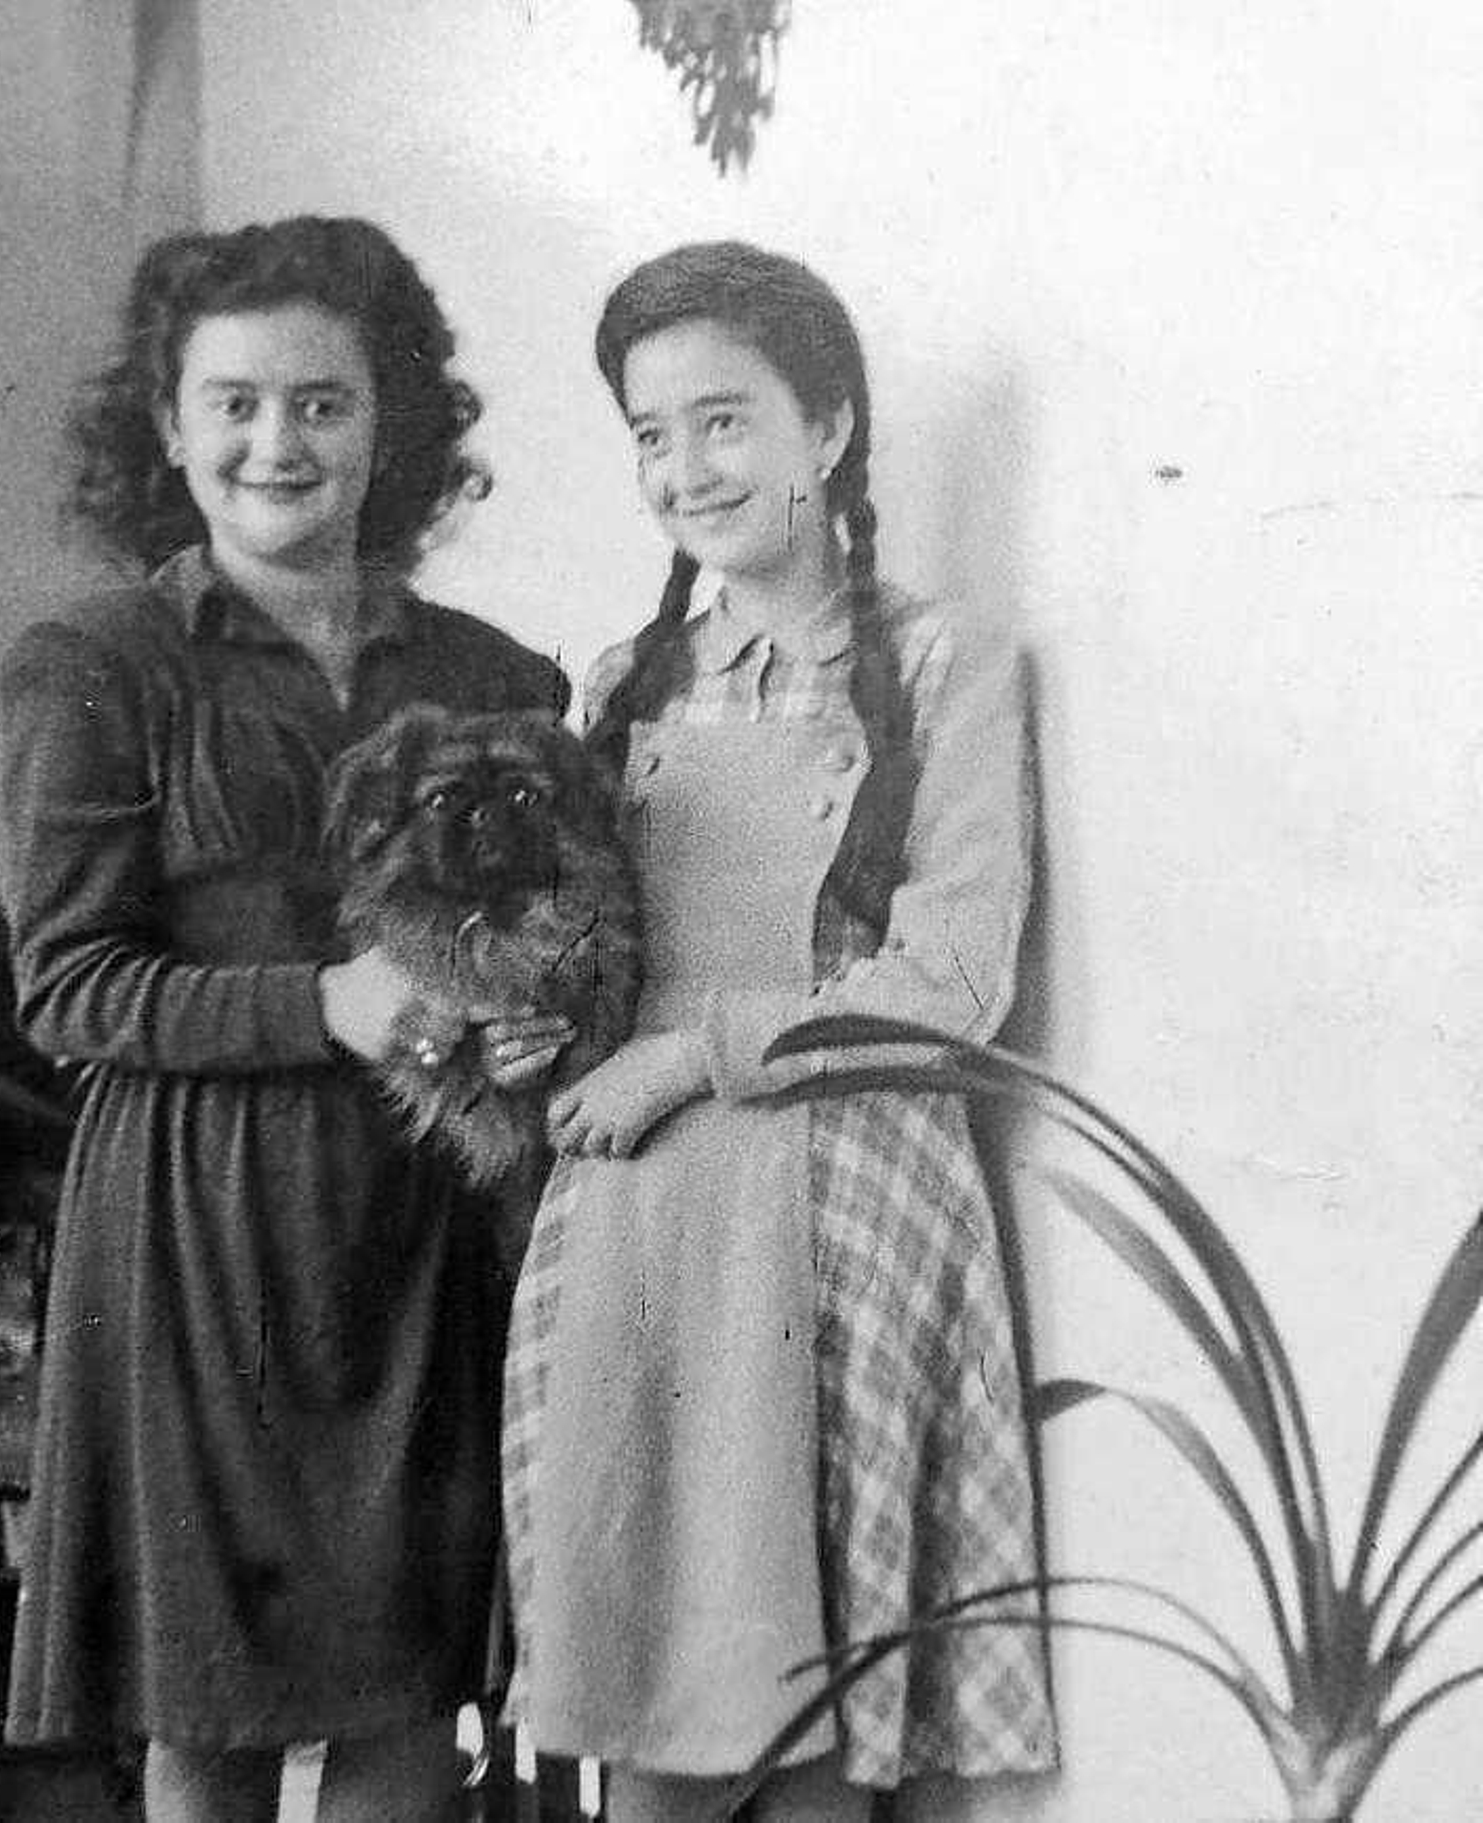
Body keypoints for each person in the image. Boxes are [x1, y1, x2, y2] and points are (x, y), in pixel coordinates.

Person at [0, 215, 570, 1823]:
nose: (278, 442)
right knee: (215, 1706)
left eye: (322, 401)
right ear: (168, 429)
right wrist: (325, 1001)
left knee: (411, 1683)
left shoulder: (493, 670)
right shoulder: (96, 664)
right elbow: (68, 986)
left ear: (388, 421)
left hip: (420, 1221)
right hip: (201, 1232)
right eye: (234, 402)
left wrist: (524, 1023)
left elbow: (530, 931)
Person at [501, 242, 1059, 1821]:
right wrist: (525, 1038)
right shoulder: (620, 685)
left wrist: (692, 1054)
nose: (684, 469)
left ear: (827, 429)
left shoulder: (946, 662)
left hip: (845, 1207)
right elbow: (581, 964)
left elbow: (955, 977)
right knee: (645, 1699)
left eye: (723, 421)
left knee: (806, 1724)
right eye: (649, 436)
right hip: (643, 1223)